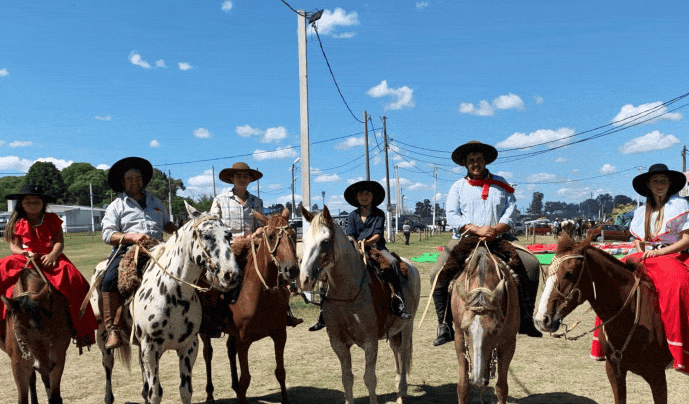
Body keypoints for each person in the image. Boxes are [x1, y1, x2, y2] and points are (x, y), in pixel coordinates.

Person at [590, 163, 689, 384]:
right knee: (614, 281)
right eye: (656, 181)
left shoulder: (680, 204)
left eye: (663, 181)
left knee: (676, 285)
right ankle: (608, 341)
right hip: (647, 256)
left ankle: (677, 343)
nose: (659, 185)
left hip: (674, 255)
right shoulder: (641, 211)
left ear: (669, 185)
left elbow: (687, 239)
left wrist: (660, 252)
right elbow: (638, 239)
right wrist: (642, 251)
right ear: (648, 185)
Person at [430, 140, 543, 346]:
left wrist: (496, 229)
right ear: (465, 163)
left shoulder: (501, 184)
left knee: (532, 265)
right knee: (436, 273)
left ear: (485, 161)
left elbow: (511, 210)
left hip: (499, 238)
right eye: (471, 160)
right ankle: (444, 324)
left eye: (479, 160)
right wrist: (476, 228)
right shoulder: (458, 187)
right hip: (466, 238)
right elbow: (452, 215)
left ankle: (526, 318)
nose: (475, 164)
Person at [0, 183, 98, 348]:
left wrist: (53, 254)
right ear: (21, 204)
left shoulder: (52, 219)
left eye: (36, 201)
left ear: (43, 203)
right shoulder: (17, 221)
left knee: (77, 280)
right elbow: (13, 246)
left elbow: (59, 242)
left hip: (49, 258)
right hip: (25, 259)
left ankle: (83, 332)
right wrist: (23, 253)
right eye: (28, 201)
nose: (32, 205)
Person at [209, 161, 301, 329]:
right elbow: (213, 225)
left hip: (253, 244)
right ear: (232, 178)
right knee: (218, 279)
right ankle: (215, 316)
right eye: (238, 176)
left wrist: (259, 231)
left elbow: (261, 224)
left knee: (275, 270)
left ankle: (284, 311)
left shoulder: (256, 201)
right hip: (229, 247)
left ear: (250, 180)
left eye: (245, 176)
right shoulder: (220, 200)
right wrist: (231, 239)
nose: (242, 179)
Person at [309, 180, 410, 331]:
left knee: (393, 263)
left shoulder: (379, 214)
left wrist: (367, 242)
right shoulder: (352, 215)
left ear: (372, 196)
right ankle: (323, 312)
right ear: (356, 197)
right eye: (361, 194)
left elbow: (377, 235)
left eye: (367, 194)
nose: (364, 196)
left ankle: (398, 300)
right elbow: (350, 235)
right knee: (329, 270)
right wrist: (356, 244)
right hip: (355, 249)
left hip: (377, 248)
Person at [99, 157, 177, 350]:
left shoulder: (156, 201)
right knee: (109, 278)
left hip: (158, 248)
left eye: (138, 178)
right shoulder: (116, 205)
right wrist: (131, 237)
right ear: (123, 182)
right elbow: (108, 234)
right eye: (130, 178)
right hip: (127, 249)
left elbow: (166, 223)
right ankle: (113, 329)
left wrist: (177, 230)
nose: (135, 181)